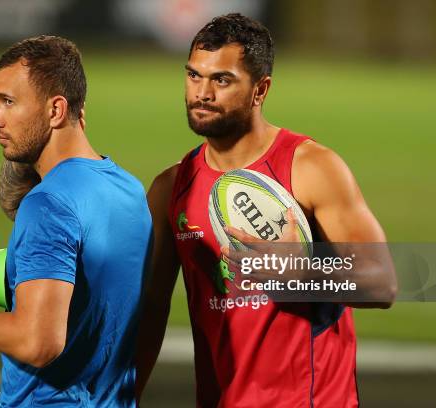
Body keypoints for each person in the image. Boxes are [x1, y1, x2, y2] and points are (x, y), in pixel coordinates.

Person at [135, 14, 397, 407]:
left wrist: (303, 271)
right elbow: (151, 310)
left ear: (260, 90)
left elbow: (383, 283)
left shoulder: (310, 167)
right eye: (193, 76)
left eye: (221, 80)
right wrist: (125, 396)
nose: (201, 92)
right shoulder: (171, 189)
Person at [0, 35, 152, 407]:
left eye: (8, 102)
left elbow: (38, 344)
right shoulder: (130, 189)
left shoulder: (47, 204)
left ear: (56, 110)